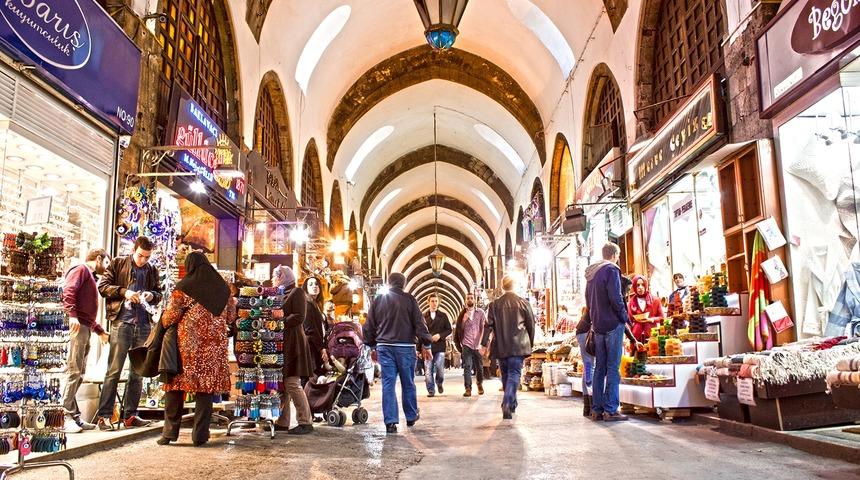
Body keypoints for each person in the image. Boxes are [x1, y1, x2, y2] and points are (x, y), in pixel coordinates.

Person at [157, 252, 237, 446]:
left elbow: (169, 318)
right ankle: (200, 436)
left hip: (187, 348)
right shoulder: (223, 288)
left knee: (175, 388)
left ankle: (169, 433)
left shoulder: (184, 287)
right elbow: (230, 317)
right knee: (205, 391)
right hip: (214, 348)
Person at [95, 236, 162, 430]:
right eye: (140, 256)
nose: (143, 260)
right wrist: (124, 292)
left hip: (143, 324)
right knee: (114, 370)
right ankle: (104, 416)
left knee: (138, 372)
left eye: (147, 257)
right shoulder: (118, 263)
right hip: (122, 322)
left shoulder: (152, 269)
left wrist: (151, 295)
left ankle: (130, 415)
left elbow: (158, 293)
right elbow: (103, 287)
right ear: (134, 250)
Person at [362, 273, 433, 434]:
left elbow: (369, 325)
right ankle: (410, 415)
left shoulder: (379, 300)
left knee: (388, 383)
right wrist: (426, 344)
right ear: (404, 284)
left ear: (389, 283)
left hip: (384, 347)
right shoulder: (409, 299)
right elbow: (419, 323)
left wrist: (372, 346)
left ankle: (390, 421)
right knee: (408, 382)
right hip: (406, 347)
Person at [62, 249, 112, 433]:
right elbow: (69, 291)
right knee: (74, 370)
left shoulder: (90, 276)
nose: (107, 268)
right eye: (106, 263)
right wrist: (72, 315)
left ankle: (74, 415)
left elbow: (87, 311)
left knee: (80, 371)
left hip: (85, 326)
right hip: (78, 326)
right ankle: (65, 416)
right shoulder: (81, 269)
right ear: (98, 259)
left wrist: (99, 331)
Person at [586, 242, 634, 422]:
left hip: (598, 325)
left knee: (599, 368)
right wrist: (624, 316)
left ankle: (597, 409)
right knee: (613, 368)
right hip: (613, 324)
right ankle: (611, 410)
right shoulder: (611, 270)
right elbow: (616, 297)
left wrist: (594, 319)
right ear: (614, 255)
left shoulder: (591, 273)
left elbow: (588, 301)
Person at [481, 276, 535, 420]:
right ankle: (507, 401)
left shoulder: (494, 305)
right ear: (514, 285)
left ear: (502, 286)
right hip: (518, 346)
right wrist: (530, 343)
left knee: (505, 374)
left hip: (501, 346)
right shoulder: (523, 303)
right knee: (514, 374)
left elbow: (488, 326)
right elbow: (531, 324)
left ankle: (511, 403)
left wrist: (483, 343)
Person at [273, 266, 314, 435]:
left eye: (275, 276)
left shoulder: (296, 292)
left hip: (293, 343)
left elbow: (299, 316)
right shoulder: (280, 293)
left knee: (291, 383)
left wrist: (280, 320)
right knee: (283, 384)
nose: (273, 279)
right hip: (283, 343)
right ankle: (283, 422)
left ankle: (305, 421)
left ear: (283, 276)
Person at [454, 292, 486, 397]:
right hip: (466, 344)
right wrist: (463, 320)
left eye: (471, 298)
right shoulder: (462, 314)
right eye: (468, 298)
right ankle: (468, 388)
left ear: (474, 300)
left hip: (478, 344)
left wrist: (482, 344)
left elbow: (483, 328)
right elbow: (459, 330)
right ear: (465, 300)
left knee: (479, 368)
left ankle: (479, 384)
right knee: (467, 367)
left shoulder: (480, 313)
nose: (470, 299)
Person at [423, 293, 451, 397]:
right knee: (428, 370)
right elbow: (420, 332)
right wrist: (418, 348)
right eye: (432, 301)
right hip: (427, 346)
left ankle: (439, 382)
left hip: (440, 346)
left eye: (436, 301)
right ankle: (431, 390)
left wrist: (440, 335)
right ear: (428, 302)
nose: (434, 303)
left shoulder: (443, 316)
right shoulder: (423, 316)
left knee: (439, 368)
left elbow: (449, 329)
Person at [302, 276, 328, 376]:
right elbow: (310, 329)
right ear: (306, 288)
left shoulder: (316, 304)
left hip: (315, 346)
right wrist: (321, 349)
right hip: (310, 348)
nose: (314, 286)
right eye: (311, 284)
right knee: (311, 377)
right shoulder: (307, 304)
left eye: (317, 284)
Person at [627, 275, 665, 342]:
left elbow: (662, 317)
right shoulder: (631, 303)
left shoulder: (655, 300)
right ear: (634, 287)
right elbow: (628, 322)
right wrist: (628, 338)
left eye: (643, 285)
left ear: (646, 285)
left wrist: (650, 319)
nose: (640, 287)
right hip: (636, 337)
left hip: (652, 335)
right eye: (638, 285)